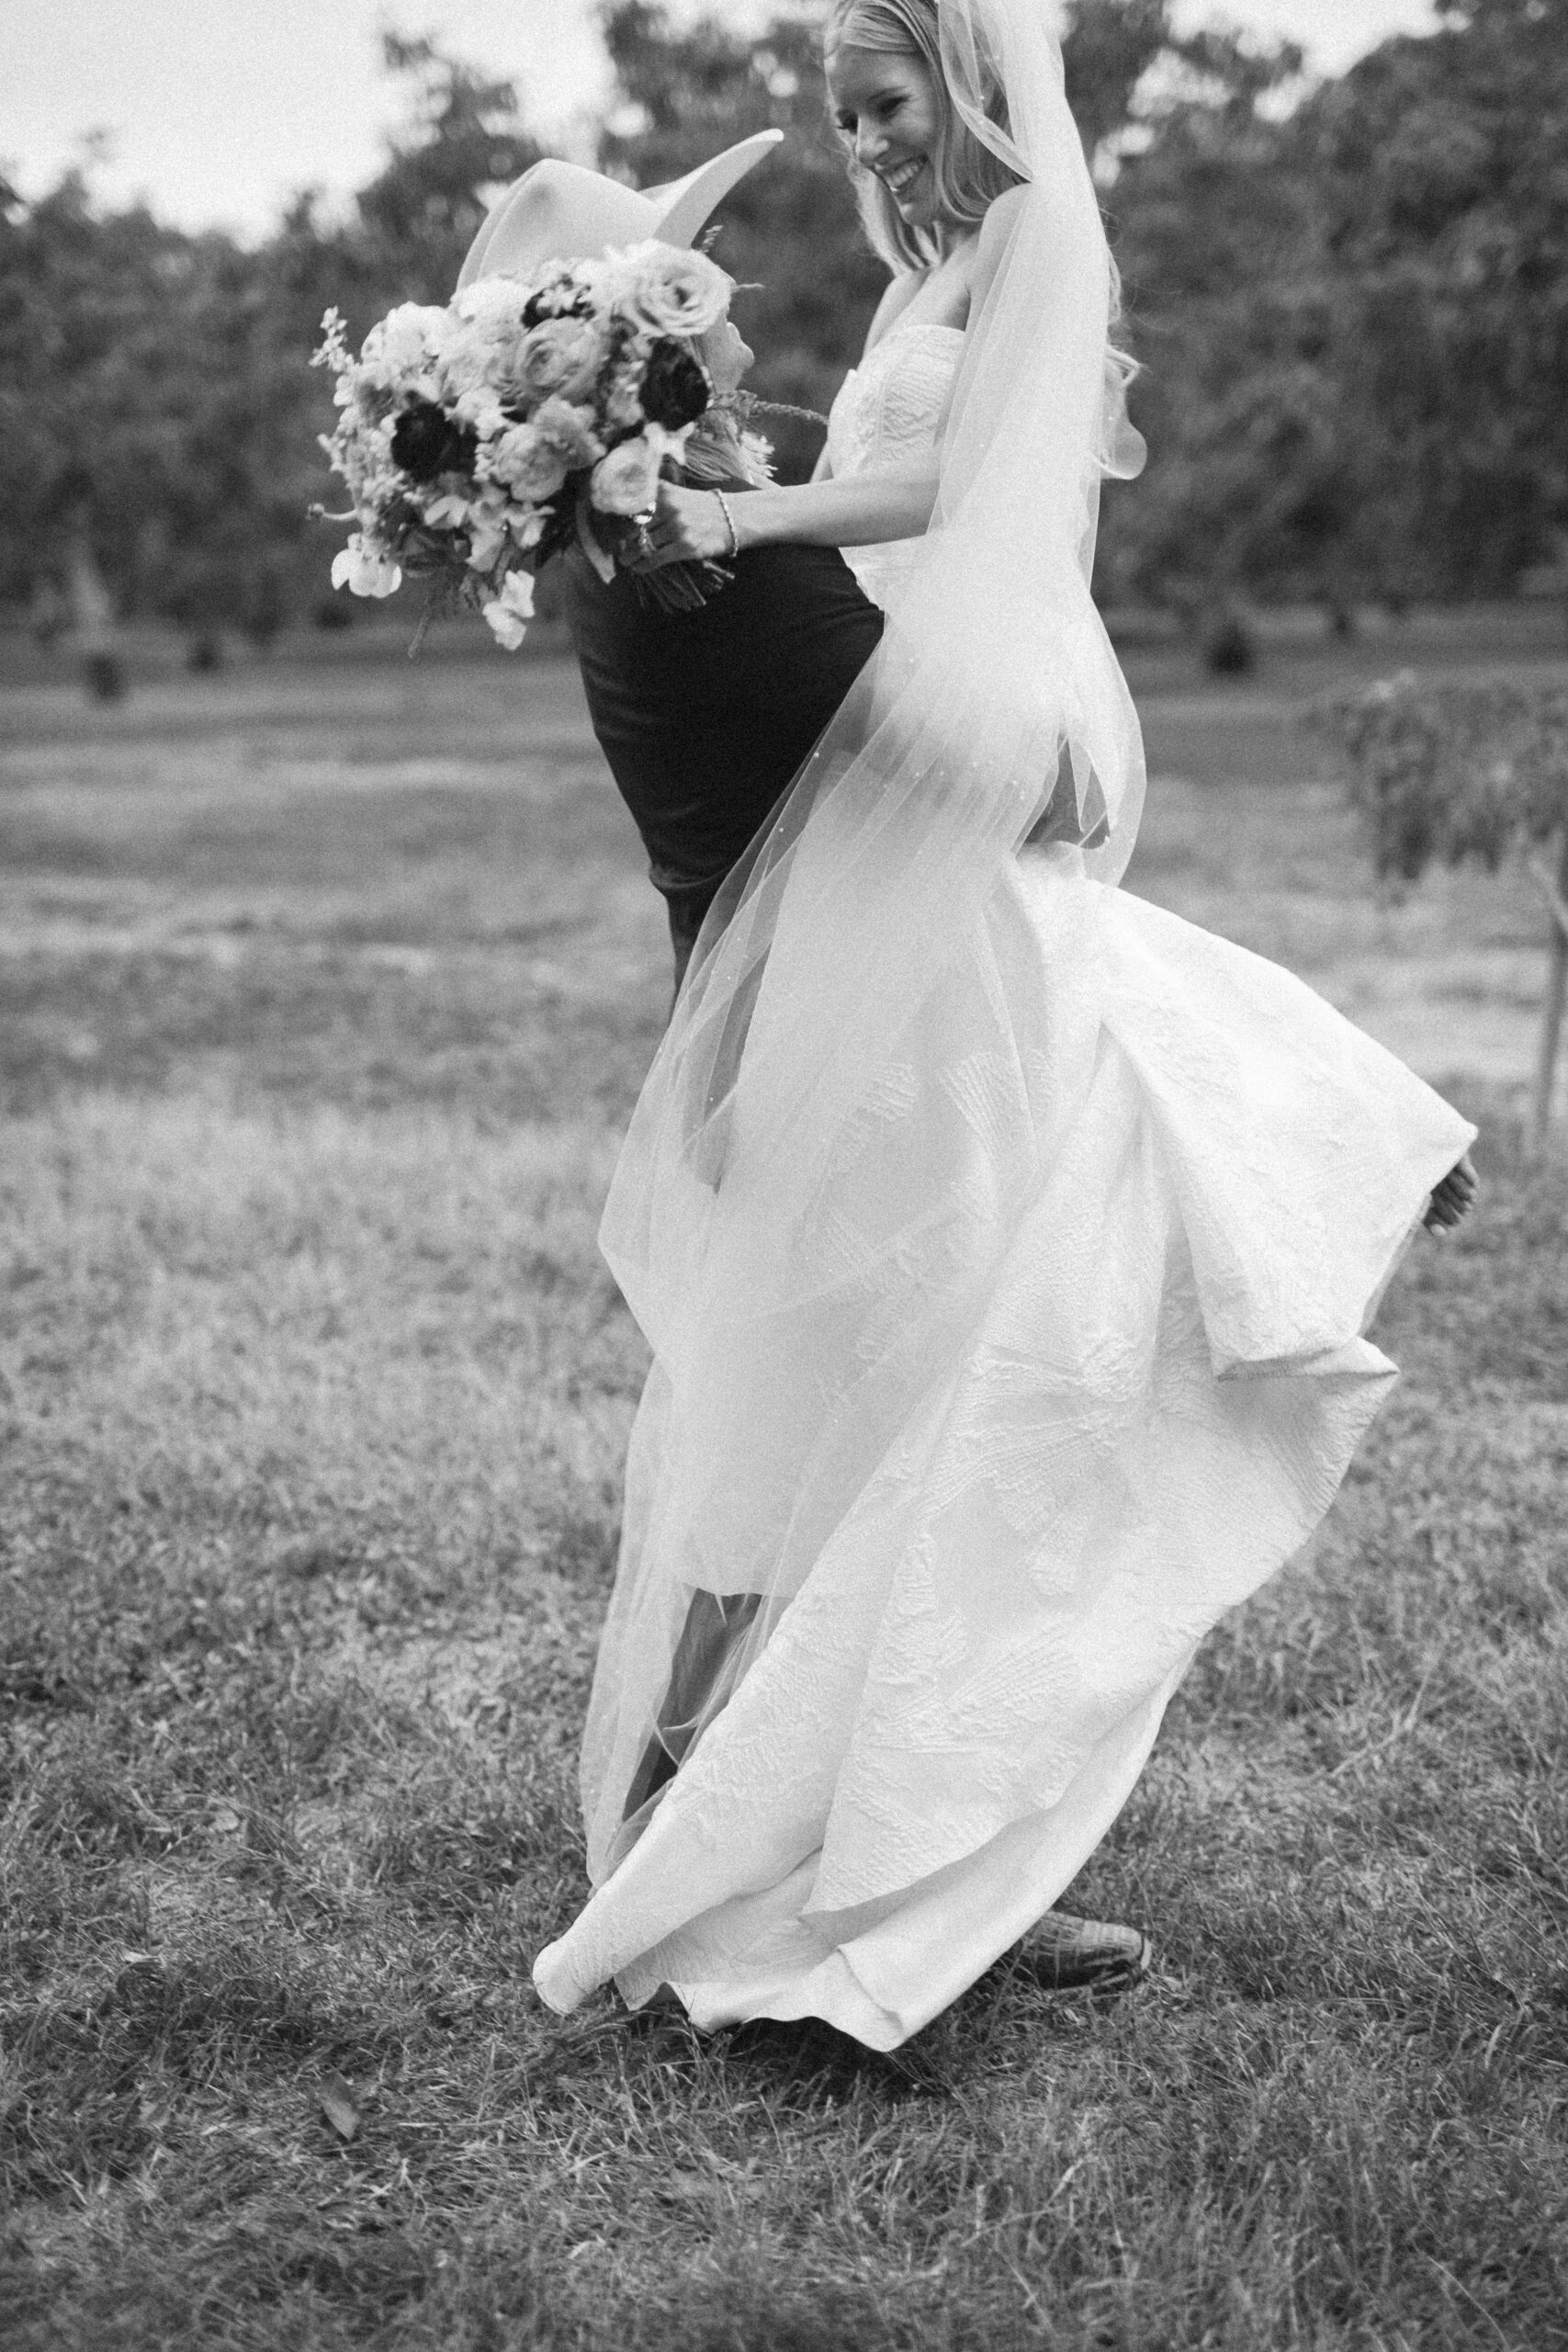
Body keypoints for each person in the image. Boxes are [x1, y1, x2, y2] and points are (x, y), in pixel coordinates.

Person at [477, 0, 1478, 2052]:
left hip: (937, 772)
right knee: (937, 1337)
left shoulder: (1023, 251)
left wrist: (750, 519)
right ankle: (816, 1804)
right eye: (836, 106)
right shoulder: (916, 276)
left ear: (969, 76)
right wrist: (737, 516)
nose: (851, 139)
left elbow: (981, 476)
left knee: (1020, 1238)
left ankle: (1340, 1170)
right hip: (895, 798)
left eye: (881, 95)